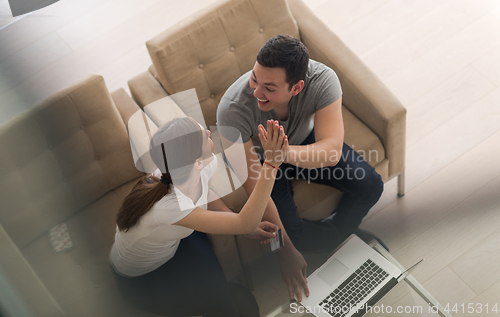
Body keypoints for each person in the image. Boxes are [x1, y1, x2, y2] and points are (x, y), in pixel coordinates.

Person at [217, 34, 385, 299]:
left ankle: (341, 235)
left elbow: (330, 150)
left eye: (270, 88)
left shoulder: (323, 79)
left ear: (296, 88)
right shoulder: (231, 110)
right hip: (264, 165)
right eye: (254, 78)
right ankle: (344, 237)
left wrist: (283, 153)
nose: (256, 92)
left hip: (303, 148)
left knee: (372, 185)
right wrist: (285, 252)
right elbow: (254, 191)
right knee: (295, 237)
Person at [110, 116, 288, 317]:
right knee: (235, 305)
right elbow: (245, 222)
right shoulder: (169, 205)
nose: (209, 133)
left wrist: (233, 221)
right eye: (204, 135)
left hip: (176, 239)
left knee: (236, 305)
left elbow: (204, 192)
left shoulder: (195, 166)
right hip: (144, 277)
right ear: (196, 162)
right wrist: (271, 164)